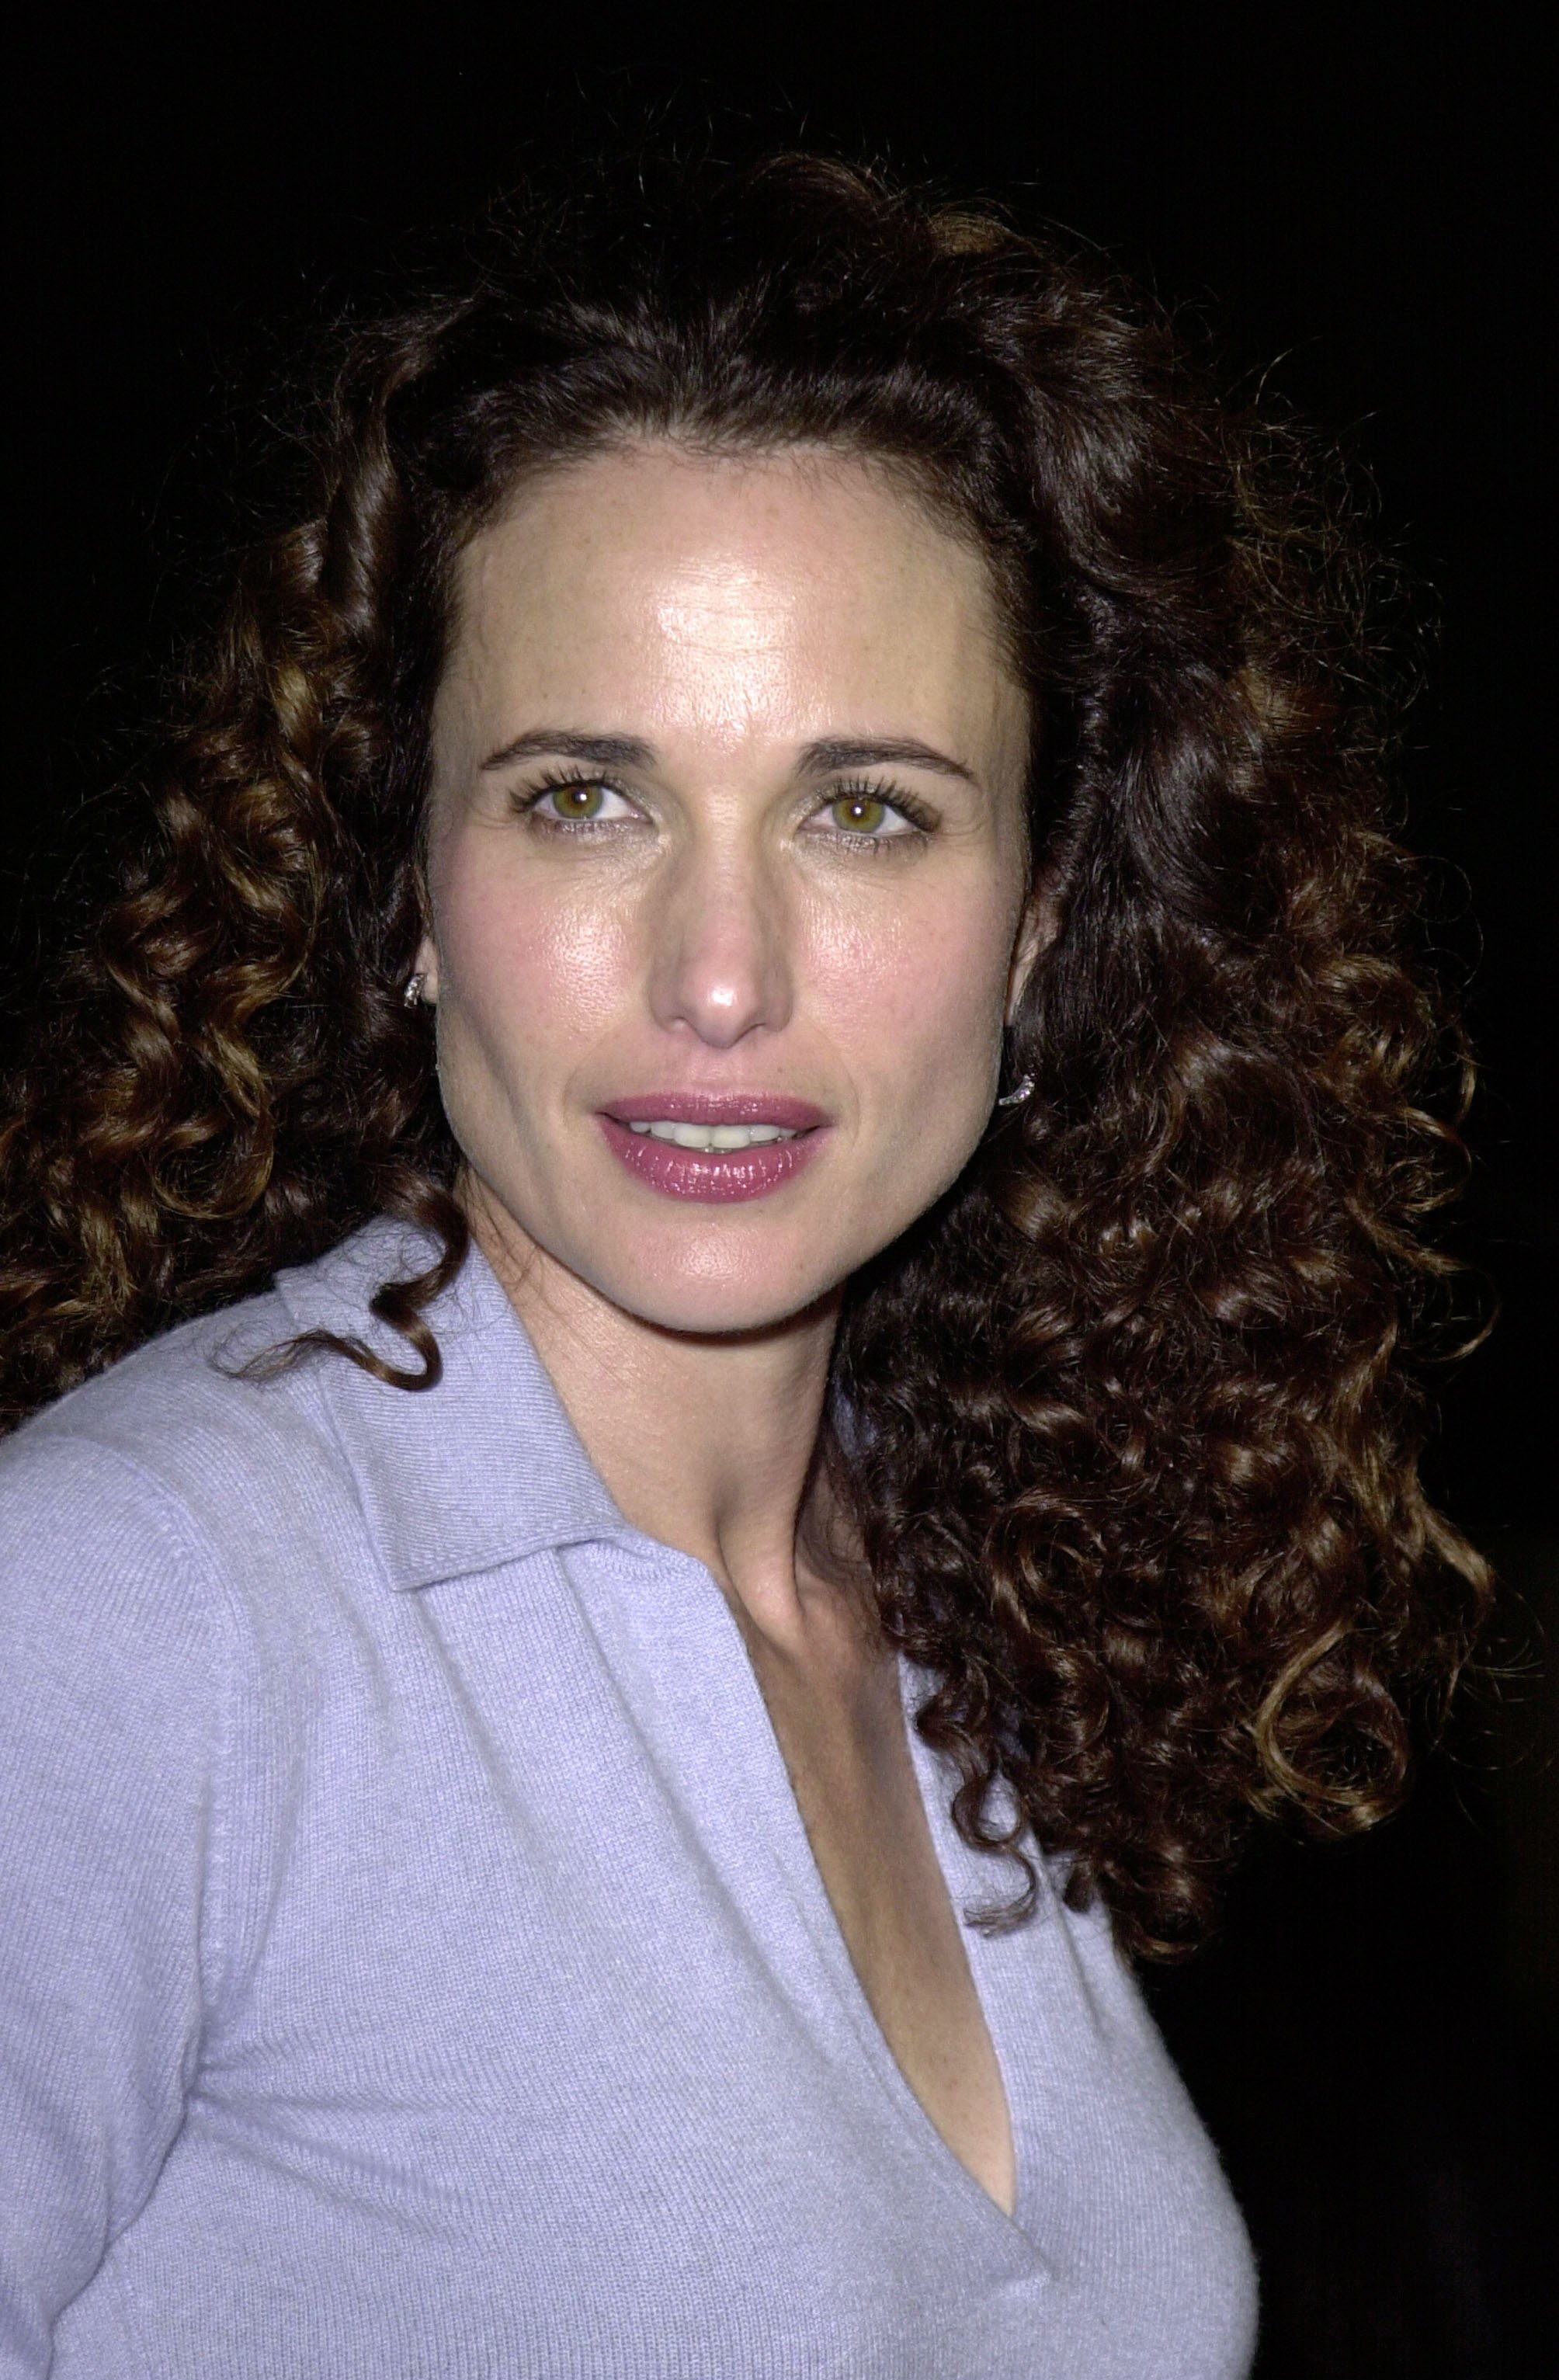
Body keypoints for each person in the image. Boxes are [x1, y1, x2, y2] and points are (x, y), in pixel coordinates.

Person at [0, 154, 1488, 2378]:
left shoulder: (961, 1615)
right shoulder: (139, 1602)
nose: (720, 976)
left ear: (1046, 911)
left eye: (864, 807)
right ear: (405, 872)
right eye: (584, 795)